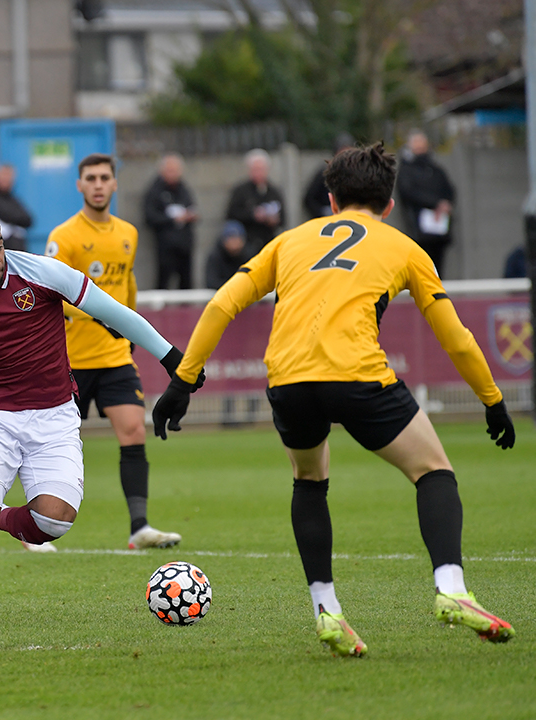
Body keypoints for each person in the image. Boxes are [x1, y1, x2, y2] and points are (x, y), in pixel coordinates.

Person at [152, 143, 516, 656]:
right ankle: (452, 591)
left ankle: (326, 609)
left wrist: (182, 382)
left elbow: (222, 302)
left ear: (330, 199)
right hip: (357, 378)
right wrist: (492, 398)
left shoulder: (288, 241)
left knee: (309, 481)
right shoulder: (406, 248)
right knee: (433, 472)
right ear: (389, 205)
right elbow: (454, 335)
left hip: (288, 382)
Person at [0, 209, 198, 631]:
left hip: (55, 417)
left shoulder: (41, 272)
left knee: (51, 523)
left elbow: (114, 311)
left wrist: (174, 359)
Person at [46, 152, 182, 551]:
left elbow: (127, 290)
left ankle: (139, 526)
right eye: (91, 178)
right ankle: (34, 528)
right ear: (79, 185)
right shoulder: (64, 237)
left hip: (115, 358)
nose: (99, 184)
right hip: (69, 359)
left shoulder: (128, 232)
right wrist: (96, 317)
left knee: (133, 430)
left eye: (105, 177)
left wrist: (130, 327)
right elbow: (54, 292)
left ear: (115, 183)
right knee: (50, 442)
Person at [397, 131, 456, 275]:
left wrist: (444, 205)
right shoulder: (407, 170)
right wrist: (435, 203)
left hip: (439, 231)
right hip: (418, 230)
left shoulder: (435, 170)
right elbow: (408, 192)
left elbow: (450, 191)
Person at [142, 153, 198, 289]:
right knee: (164, 281)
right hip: (165, 246)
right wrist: (171, 219)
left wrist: (190, 216)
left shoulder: (184, 189)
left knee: (186, 282)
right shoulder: (155, 190)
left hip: (185, 245)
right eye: (170, 170)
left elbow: (192, 207)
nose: (173, 174)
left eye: (176, 170)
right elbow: (149, 216)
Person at [226, 149, 285, 254]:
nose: (258, 173)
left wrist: (273, 220)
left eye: (261, 169)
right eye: (255, 169)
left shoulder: (274, 192)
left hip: (268, 241)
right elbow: (231, 214)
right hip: (247, 243)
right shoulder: (241, 191)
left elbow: (283, 217)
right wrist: (253, 215)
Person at [302, 133, 355, 220]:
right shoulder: (325, 173)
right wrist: (322, 212)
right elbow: (309, 199)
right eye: (342, 152)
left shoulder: (357, 174)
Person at [0, 164, 33, 252]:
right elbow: (10, 215)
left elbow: (28, 219)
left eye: (10, 179)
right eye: (4, 177)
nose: (7, 181)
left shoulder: (11, 198)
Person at [204, 220, 249, 290]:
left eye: (238, 238)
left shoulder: (248, 256)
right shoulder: (215, 257)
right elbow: (211, 282)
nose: (235, 242)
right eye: (231, 238)